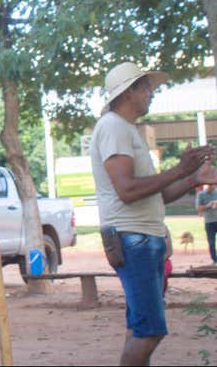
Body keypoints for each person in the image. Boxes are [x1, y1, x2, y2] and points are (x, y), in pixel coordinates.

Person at [90, 62, 217, 366]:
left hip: (141, 238)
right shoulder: (113, 127)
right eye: (146, 87)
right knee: (149, 331)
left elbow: (155, 195)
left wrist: (193, 178)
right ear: (128, 92)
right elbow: (127, 190)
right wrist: (181, 169)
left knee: (139, 328)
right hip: (135, 239)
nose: (152, 94)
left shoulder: (123, 129)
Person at [196, 185, 217, 265]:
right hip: (209, 222)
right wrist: (208, 205)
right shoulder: (201, 194)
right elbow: (198, 208)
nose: (210, 186)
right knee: (211, 243)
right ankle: (215, 260)